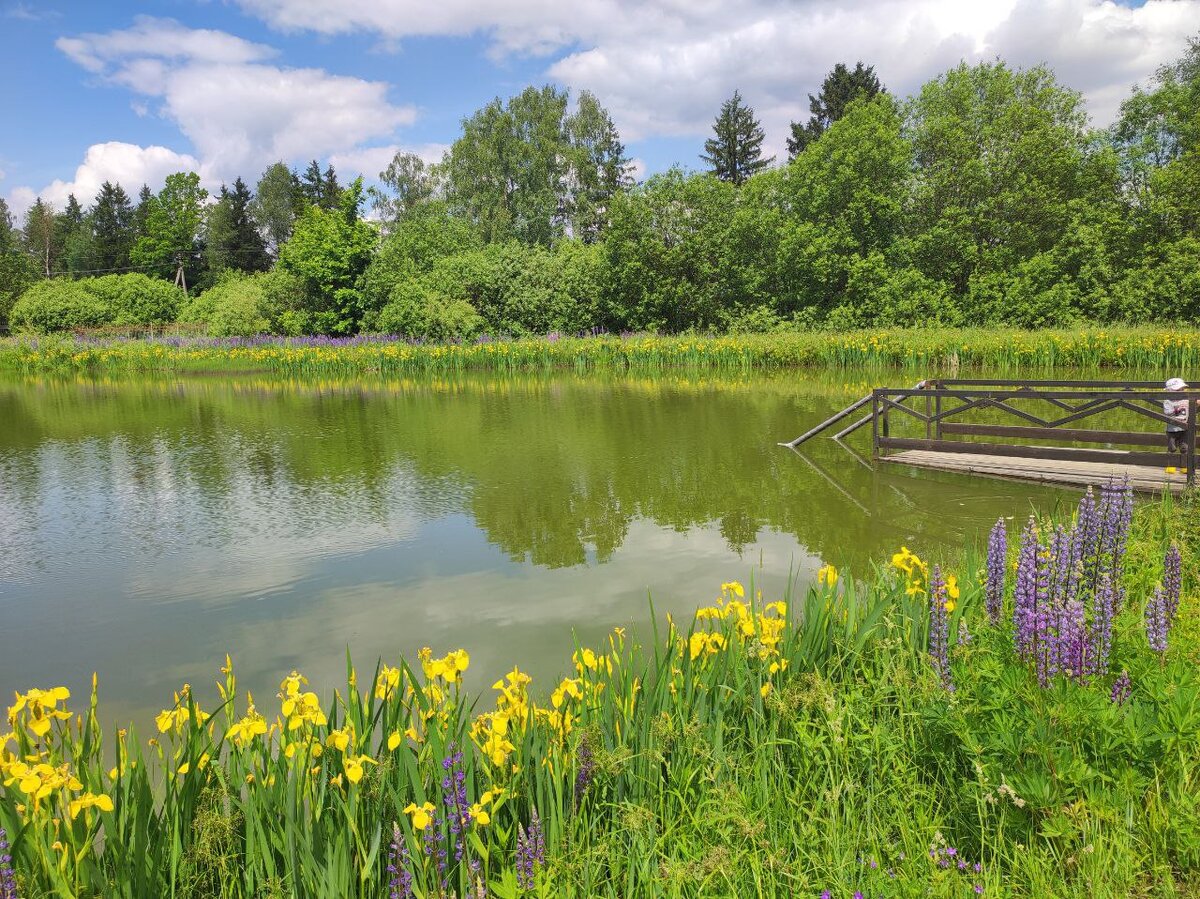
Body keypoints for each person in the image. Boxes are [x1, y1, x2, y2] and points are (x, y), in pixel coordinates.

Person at [1163, 377, 1189, 459]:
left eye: (1182, 389)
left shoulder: (1186, 399)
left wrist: (1197, 402)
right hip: (1172, 429)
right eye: (1178, 390)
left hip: (1184, 428)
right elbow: (1167, 412)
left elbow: (1193, 404)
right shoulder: (1168, 401)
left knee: (1184, 447)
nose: (1181, 392)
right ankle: (1170, 464)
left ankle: (1184, 465)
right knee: (1172, 448)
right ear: (1170, 391)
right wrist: (1177, 408)